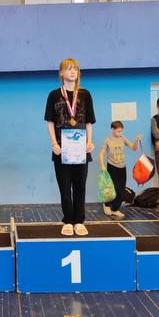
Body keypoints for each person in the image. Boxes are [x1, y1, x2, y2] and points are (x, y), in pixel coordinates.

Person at [44, 58, 96, 238]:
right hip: (61, 150)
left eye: (75, 69)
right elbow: (50, 122)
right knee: (65, 187)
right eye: (69, 68)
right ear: (61, 73)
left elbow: (89, 122)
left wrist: (90, 142)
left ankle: (79, 221)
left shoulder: (85, 94)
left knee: (80, 186)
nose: (73, 71)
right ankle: (67, 221)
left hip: (81, 150)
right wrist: (54, 143)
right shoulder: (54, 95)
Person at [98, 120, 141, 220]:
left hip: (122, 167)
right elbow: (101, 153)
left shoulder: (123, 138)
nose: (120, 133)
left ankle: (115, 209)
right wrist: (102, 165)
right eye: (118, 131)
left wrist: (136, 141)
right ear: (112, 130)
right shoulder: (107, 140)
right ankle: (106, 204)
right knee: (112, 188)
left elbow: (134, 148)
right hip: (112, 167)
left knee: (121, 190)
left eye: (121, 131)